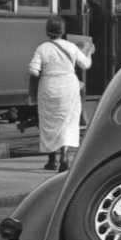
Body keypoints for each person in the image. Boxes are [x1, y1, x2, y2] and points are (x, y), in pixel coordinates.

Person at [29, 16, 93, 172]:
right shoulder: (71, 47)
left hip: (49, 87)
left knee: (49, 121)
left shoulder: (42, 48)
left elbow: (33, 70)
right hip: (69, 86)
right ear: (63, 31)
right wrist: (89, 52)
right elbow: (86, 64)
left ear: (47, 31)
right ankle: (64, 157)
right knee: (67, 121)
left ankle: (52, 161)